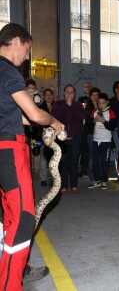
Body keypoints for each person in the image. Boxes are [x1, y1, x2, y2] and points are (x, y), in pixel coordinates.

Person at [0, 23, 64, 290]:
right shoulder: (9, 72)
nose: (28, 56)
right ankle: (9, 284)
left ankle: (17, 266)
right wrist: (54, 122)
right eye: (27, 49)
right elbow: (36, 115)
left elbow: (16, 115)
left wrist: (42, 121)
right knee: (25, 216)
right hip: (8, 151)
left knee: (8, 216)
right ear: (16, 41)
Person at [51, 84, 85, 194]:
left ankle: (74, 185)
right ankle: (64, 186)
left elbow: (81, 117)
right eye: (67, 92)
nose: (69, 94)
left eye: (71, 92)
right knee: (64, 162)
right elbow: (55, 115)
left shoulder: (78, 105)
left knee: (74, 162)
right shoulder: (58, 104)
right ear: (64, 93)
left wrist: (71, 106)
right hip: (62, 139)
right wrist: (67, 106)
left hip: (76, 138)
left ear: (74, 95)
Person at [89, 93, 117, 189]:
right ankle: (97, 180)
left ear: (107, 102)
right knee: (95, 162)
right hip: (95, 141)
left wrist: (103, 120)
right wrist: (93, 121)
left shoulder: (111, 112)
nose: (101, 105)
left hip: (106, 141)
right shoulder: (94, 111)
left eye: (103, 103)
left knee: (104, 163)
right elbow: (88, 125)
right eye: (99, 103)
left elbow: (112, 126)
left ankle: (104, 181)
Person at [84, 87, 101, 187]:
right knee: (92, 156)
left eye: (96, 95)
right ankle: (92, 178)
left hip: (103, 136)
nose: (95, 97)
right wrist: (95, 120)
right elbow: (88, 122)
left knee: (100, 157)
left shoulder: (102, 106)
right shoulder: (88, 108)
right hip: (91, 134)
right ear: (90, 97)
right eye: (93, 95)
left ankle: (99, 177)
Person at [39, 88, 55, 186]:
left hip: (55, 136)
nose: (49, 96)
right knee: (44, 158)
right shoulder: (40, 108)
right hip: (44, 135)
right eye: (47, 95)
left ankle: (54, 177)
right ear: (44, 97)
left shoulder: (57, 107)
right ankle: (43, 178)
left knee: (55, 157)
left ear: (53, 96)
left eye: (50, 94)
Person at [78, 81, 93, 177]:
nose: (87, 88)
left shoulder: (95, 100)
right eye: (86, 87)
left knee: (91, 150)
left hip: (92, 127)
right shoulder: (81, 99)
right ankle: (83, 169)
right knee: (83, 149)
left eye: (89, 86)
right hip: (83, 128)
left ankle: (90, 169)